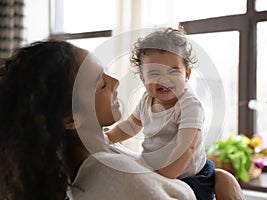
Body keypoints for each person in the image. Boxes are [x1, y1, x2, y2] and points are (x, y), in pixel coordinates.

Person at [0, 40, 245, 200]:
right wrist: (226, 182)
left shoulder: (105, 158)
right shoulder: (125, 182)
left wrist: (222, 177)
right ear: (71, 119)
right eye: (101, 83)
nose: (116, 82)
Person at [105, 27, 214, 199]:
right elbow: (131, 126)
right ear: (143, 78)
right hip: (154, 169)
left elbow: (186, 147)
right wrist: (109, 137)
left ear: (187, 74)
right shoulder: (147, 99)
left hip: (189, 176)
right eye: (154, 72)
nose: (164, 79)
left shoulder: (190, 105)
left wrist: (163, 177)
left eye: (173, 71)